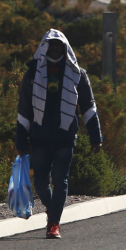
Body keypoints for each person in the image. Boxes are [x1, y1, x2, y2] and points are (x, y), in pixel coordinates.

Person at [15, 29, 103, 239]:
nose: (55, 48)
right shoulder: (33, 73)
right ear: (44, 47)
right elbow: (24, 110)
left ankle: (54, 223)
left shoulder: (77, 74)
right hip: (39, 137)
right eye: (51, 45)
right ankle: (52, 209)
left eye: (59, 45)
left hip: (65, 137)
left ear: (65, 48)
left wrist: (96, 137)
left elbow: (88, 107)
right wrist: (21, 140)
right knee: (40, 183)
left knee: (60, 180)